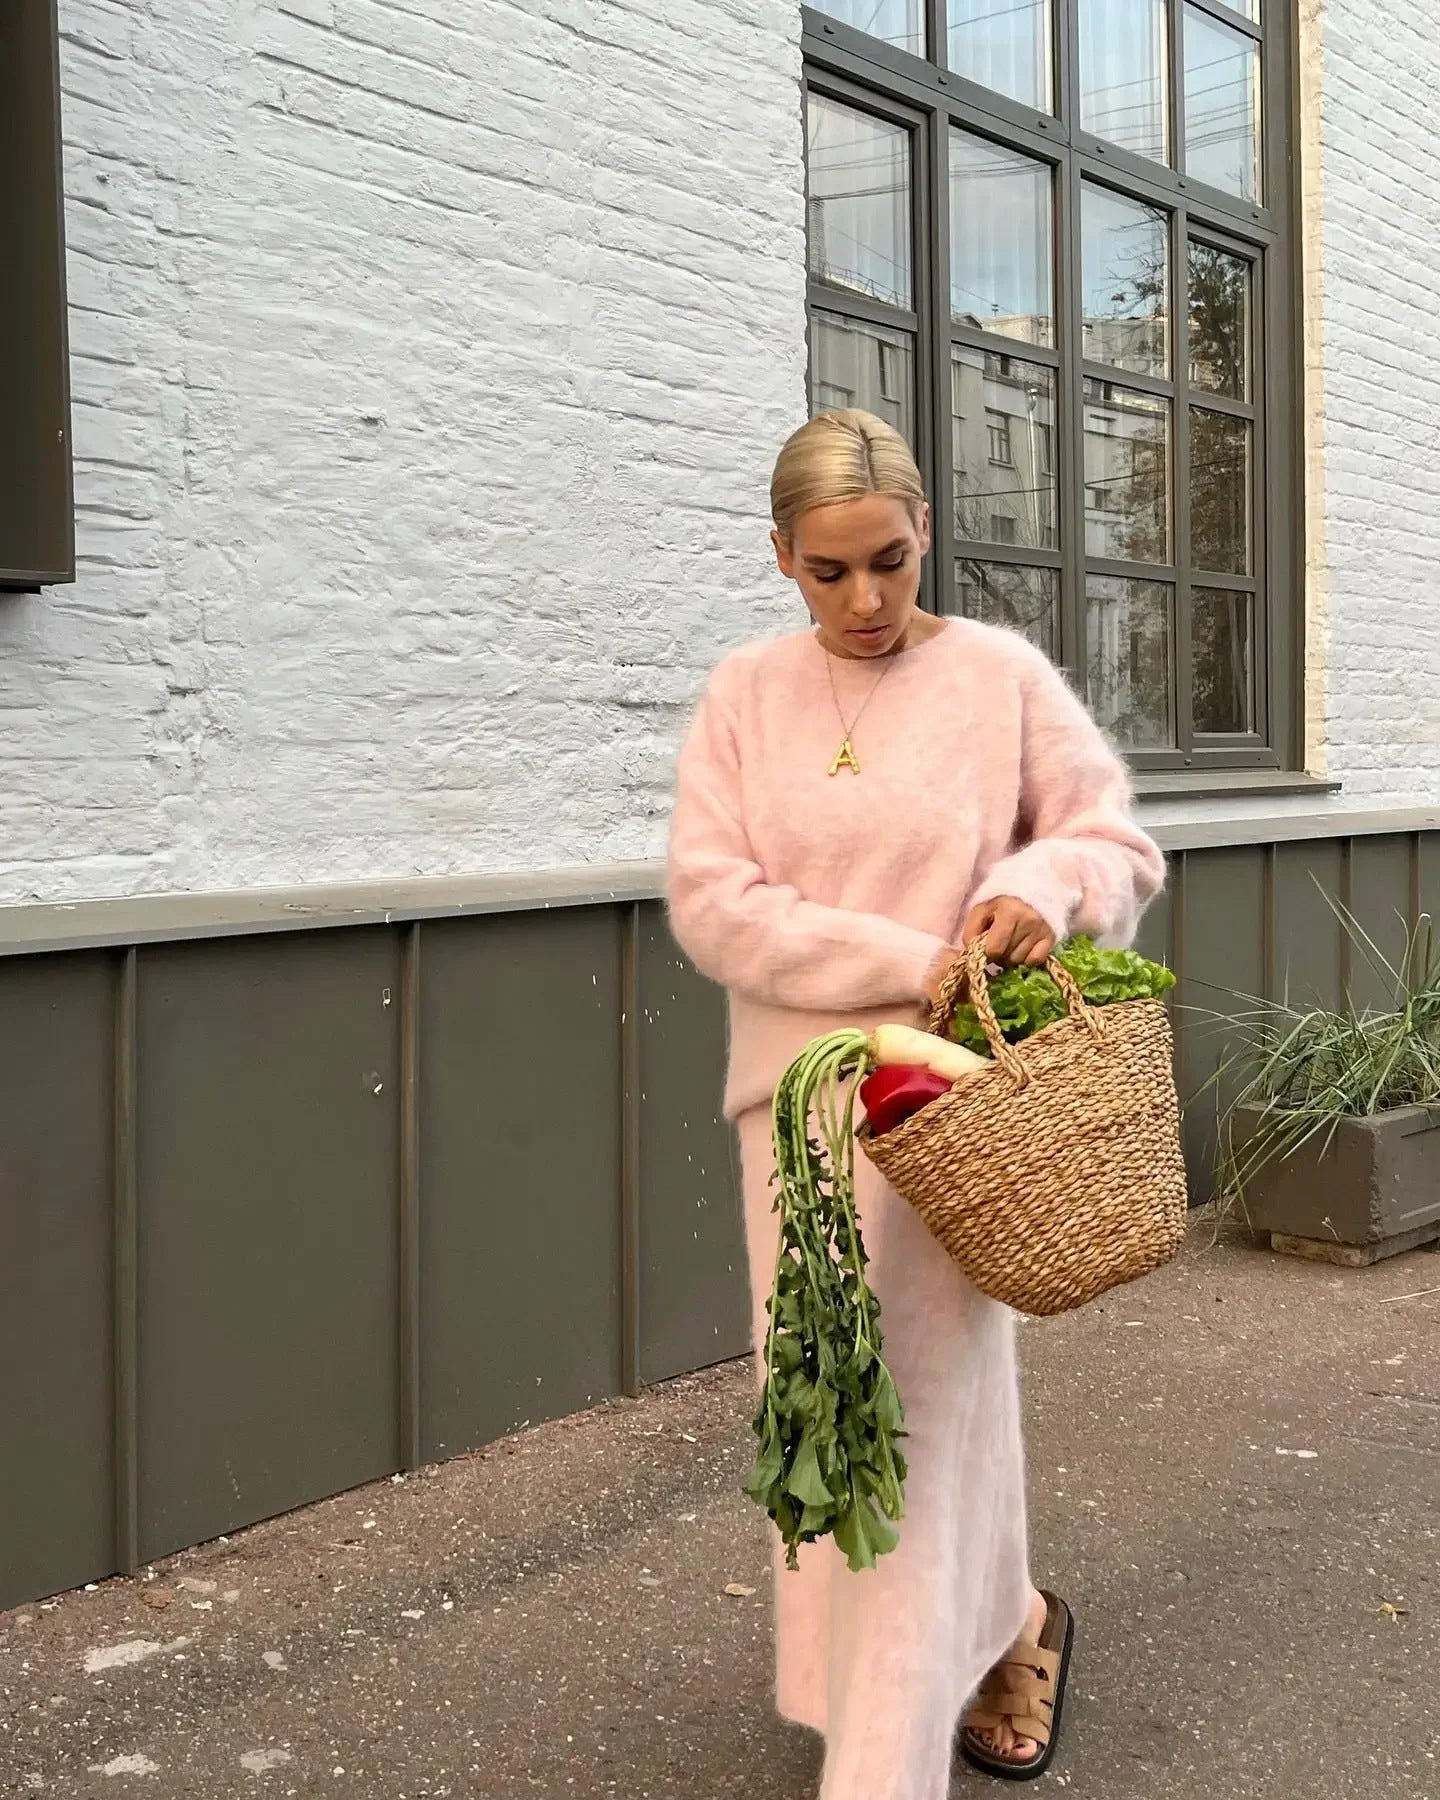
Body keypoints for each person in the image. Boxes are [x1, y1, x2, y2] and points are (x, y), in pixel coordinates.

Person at [664, 410, 1165, 1797]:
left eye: (888, 560)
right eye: (830, 572)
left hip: (953, 1111)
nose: (868, 600)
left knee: (918, 1417)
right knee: (824, 1411)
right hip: (801, 1121)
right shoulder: (744, 697)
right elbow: (717, 908)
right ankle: (1006, 1624)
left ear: (927, 530)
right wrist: (907, 954)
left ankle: (880, 1762)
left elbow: (1108, 837)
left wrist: (1040, 890)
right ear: (781, 557)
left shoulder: (996, 677)